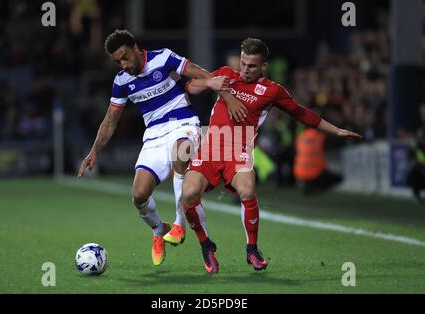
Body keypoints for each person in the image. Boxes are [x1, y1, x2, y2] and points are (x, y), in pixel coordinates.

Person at [182, 38, 362, 273]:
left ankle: (252, 249)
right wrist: (212, 83)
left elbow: (301, 113)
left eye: (252, 66)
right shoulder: (226, 74)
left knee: (247, 189)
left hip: (239, 150)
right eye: (244, 63)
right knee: (188, 194)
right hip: (211, 148)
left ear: (264, 67)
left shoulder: (272, 91)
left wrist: (336, 130)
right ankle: (206, 244)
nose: (246, 69)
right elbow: (190, 87)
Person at [77, 29, 241, 266]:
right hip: (154, 135)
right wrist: (94, 151)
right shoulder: (122, 82)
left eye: (125, 57)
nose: (123, 64)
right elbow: (110, 120)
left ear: (136, 48)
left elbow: (202, 74)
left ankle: (178, 224)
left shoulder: (163, 58)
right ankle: (158, 230)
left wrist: (226, 95)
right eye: (117, 61)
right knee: (139, 195)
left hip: (183, 124)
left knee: (180, 154)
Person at [293, 127, 342, 194]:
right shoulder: (319, 137)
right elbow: (334, 143)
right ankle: (317, 188)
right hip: (315, 172)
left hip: (299, 172)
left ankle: (309, 187)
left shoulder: (300, 137)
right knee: (338, 179)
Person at [407, 127, 425, 202]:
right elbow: (411, 159)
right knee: (414, 171)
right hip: (419, 170)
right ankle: (416, 195)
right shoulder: (416, 146)